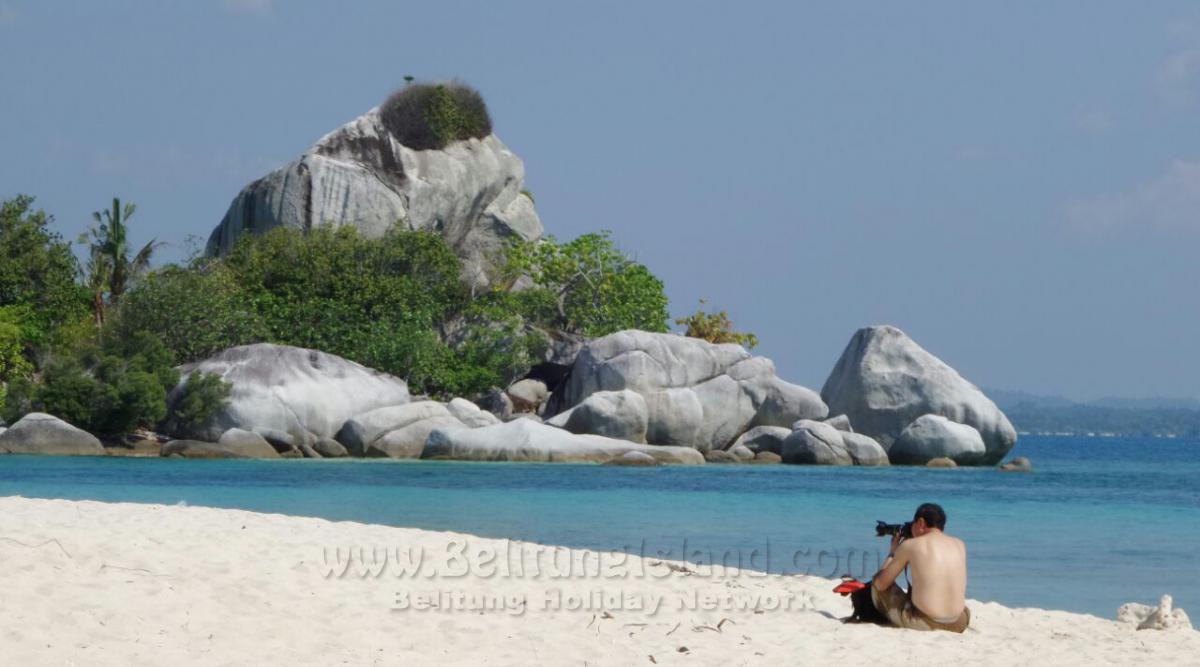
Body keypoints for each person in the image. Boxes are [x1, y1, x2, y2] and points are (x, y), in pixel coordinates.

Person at [870, 502, 970, 632]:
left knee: (876, 581)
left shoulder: (911, 545)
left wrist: (893, 553)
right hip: (959, 622)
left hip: (926, 623)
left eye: (913, 523)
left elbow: (881, 584)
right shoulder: (960, 544)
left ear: (921, 523)